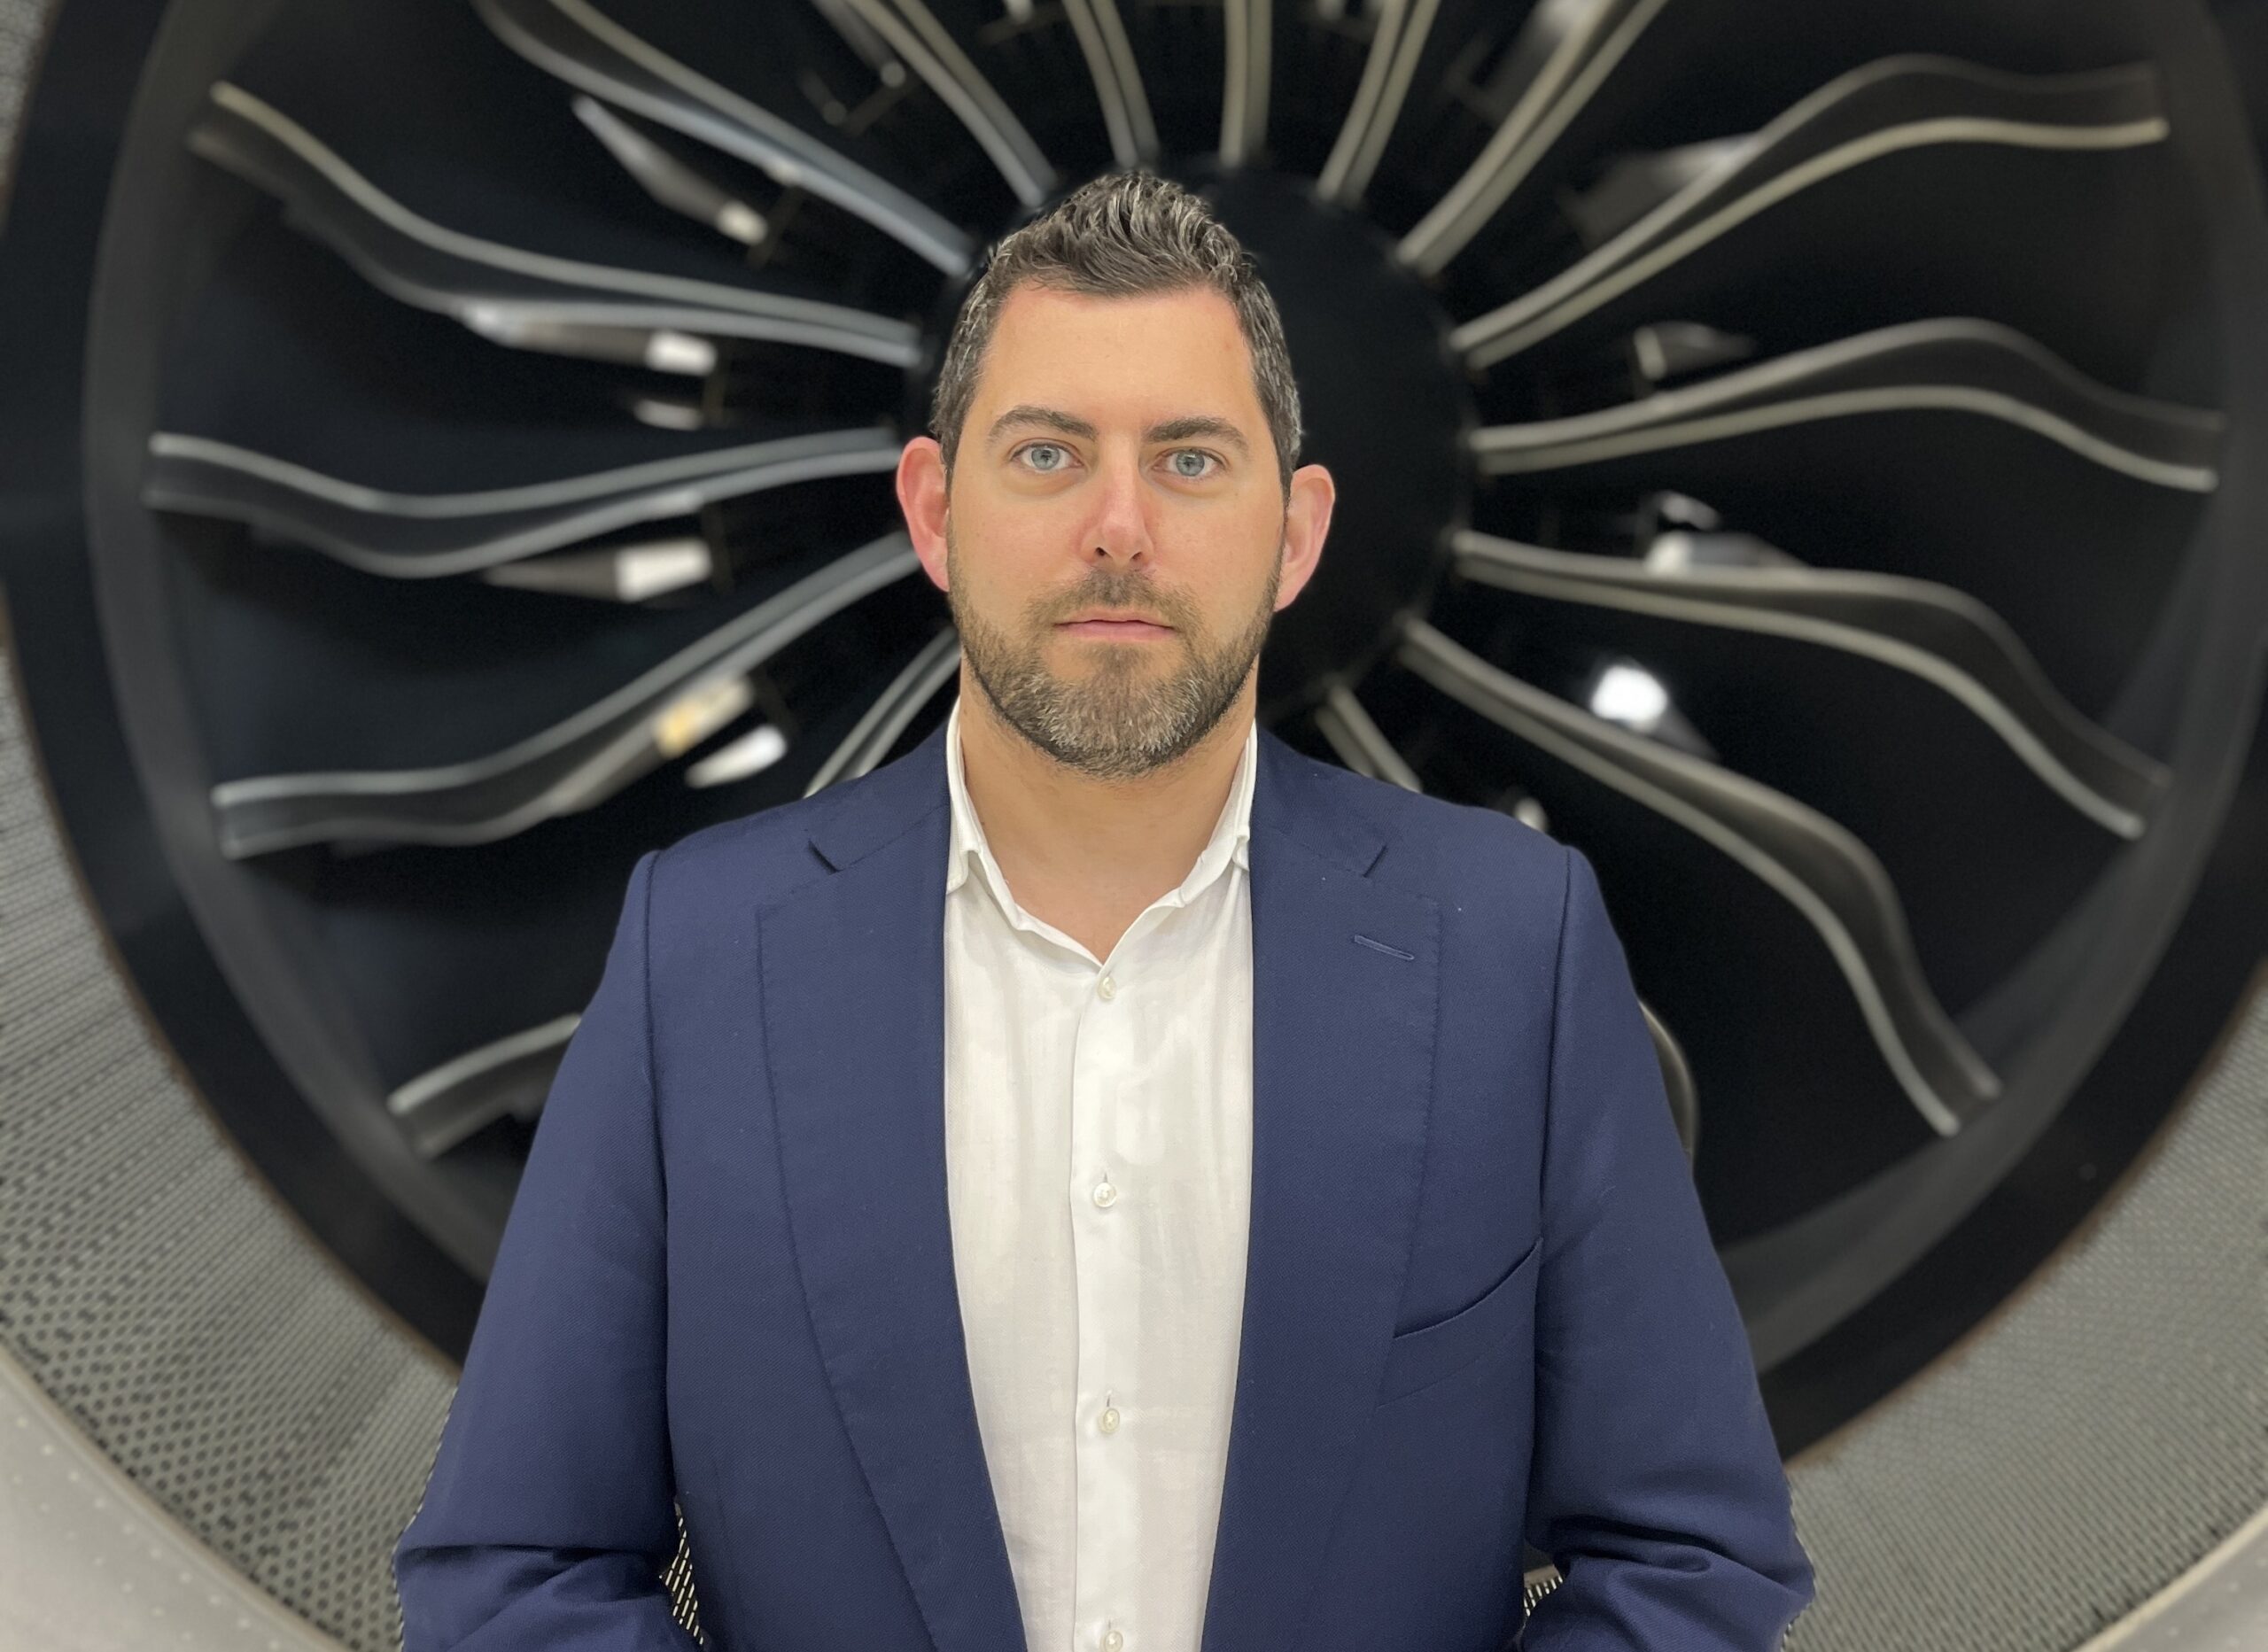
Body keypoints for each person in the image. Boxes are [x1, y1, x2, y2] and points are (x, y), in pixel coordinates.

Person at [392, 169, 1816, 1652]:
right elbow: (514, 1569)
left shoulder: (1518, 948)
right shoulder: (696, 956)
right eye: (1048, 454)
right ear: (936, 512)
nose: (1119, 527)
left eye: (1190, 460)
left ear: (1297, 532)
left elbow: (1689, 1555)